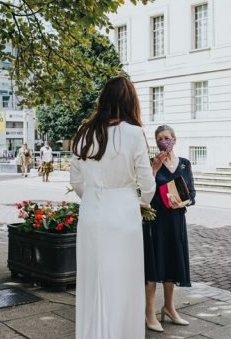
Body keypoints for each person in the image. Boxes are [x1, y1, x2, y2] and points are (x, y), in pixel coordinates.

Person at [69, 76, 156, 339]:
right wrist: (141, 202)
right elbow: (147, 184)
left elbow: (76, 181)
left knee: (91, 278)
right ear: (130, 101)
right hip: (123, 213)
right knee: (123, 280)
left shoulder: (84, 132)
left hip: (91, 210)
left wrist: (95, 197)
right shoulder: (133, 132)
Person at [143, 125, 195, 332]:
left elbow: (192, 194)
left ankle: (169, 308)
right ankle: (149, 313)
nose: (164, 141)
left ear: (174, 139)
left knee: (172, 263)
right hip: (156, 220)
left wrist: (183, 203)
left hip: (176, 220)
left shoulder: (184, 164)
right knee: (155, 265)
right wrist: (154, 169)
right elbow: (145, 191)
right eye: (160, 139)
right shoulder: (151, 164)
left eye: (167, 138)